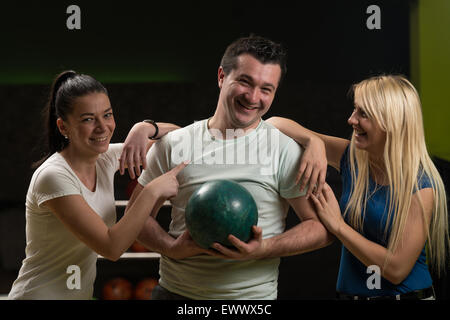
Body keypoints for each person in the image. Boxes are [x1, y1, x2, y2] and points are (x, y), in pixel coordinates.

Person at [126, 35, 334, 300]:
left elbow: (320, 228)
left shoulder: (284, 149)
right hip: (175, 295)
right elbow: (135, 216)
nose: (253, 97)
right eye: (245, 82)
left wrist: (265, 248)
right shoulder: (173, 144)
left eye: (266, 89)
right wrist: (170, 247)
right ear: (222, 76)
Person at [267, 74, 449, 300]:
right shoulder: (353, 158)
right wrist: (312, 142)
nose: (351, 119)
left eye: (363, 113)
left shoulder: (422, 185)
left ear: (390, 121)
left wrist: (338, 226)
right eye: (355, 109)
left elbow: (396, 270)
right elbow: (274, 124)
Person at [8, 70, 184, 300]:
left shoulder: (105, 158)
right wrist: (152, 192)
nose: (102, 127)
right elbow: (112, 247)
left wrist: (145, 128)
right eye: (88, 119)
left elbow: (180, 139)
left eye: (107, 115)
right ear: (63, 127)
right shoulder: (53, 177)